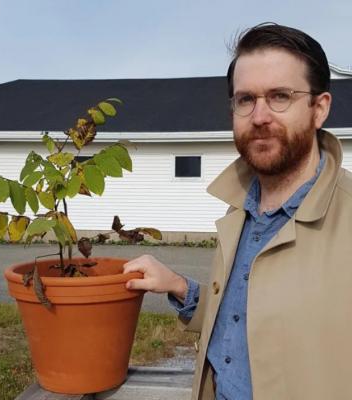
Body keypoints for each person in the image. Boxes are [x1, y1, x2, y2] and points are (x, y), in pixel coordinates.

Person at [123, 22, 352, 400]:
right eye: (245, 99)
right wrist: (181, 287)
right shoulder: (239, 210)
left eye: (280, 96)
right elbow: (243, 322)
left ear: (319, 108)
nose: (259, 116)